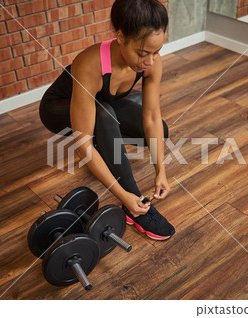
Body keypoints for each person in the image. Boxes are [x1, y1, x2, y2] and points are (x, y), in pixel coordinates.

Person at [39, 0, 175, 240]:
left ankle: (106, 142)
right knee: (103, 115)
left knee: (159, 131)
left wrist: (160, 171)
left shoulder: (151, 62)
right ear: (120, 37)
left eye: (156, 52)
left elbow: (152, 117)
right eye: (143, 53)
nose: (151, 62)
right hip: (58, 106)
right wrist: (124, 195)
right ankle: (137, 211)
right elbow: (83, 144)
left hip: (103, 104)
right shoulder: (90, 64)